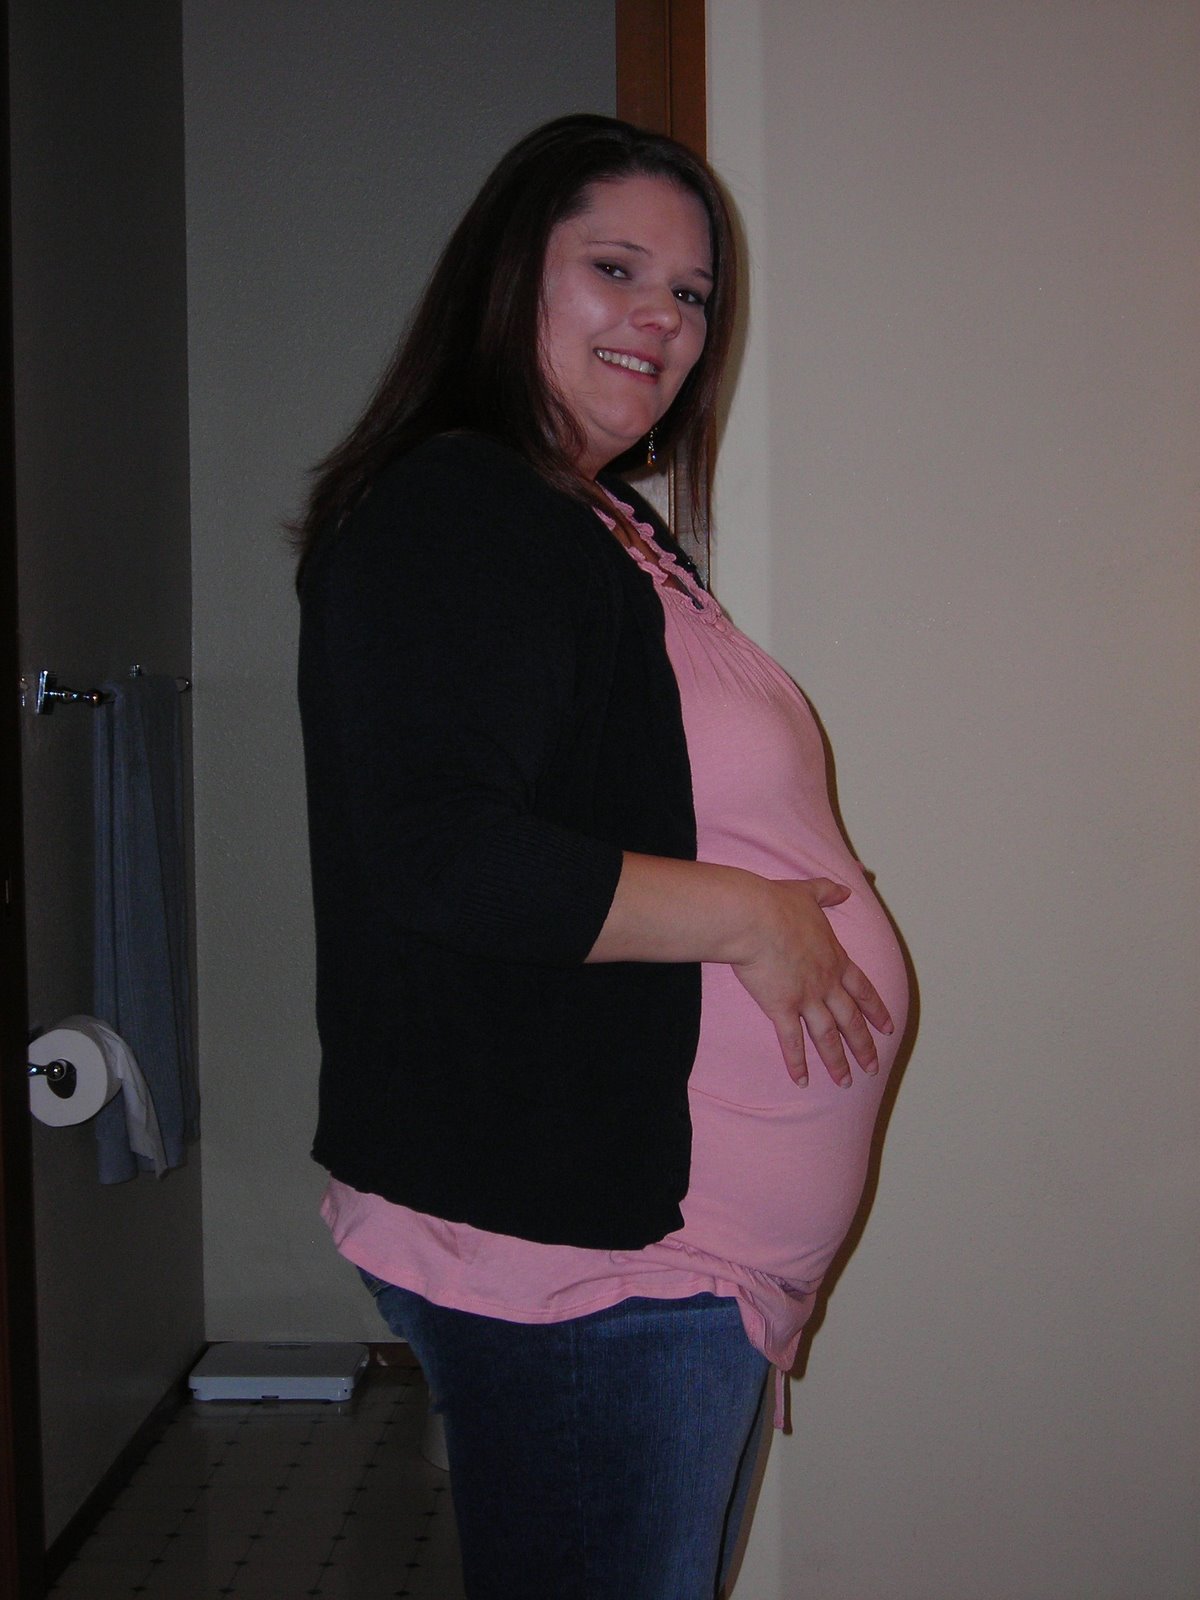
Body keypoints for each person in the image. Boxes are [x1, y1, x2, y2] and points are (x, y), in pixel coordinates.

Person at [295, 113, 908, 1600]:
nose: (664, 318)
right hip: (585, 1264)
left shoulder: (597, 518)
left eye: (692, 292)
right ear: (511, 273)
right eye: (616, 267)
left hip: (661, 1264)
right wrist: (755, 919)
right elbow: (440, 853)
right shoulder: (458, 504)